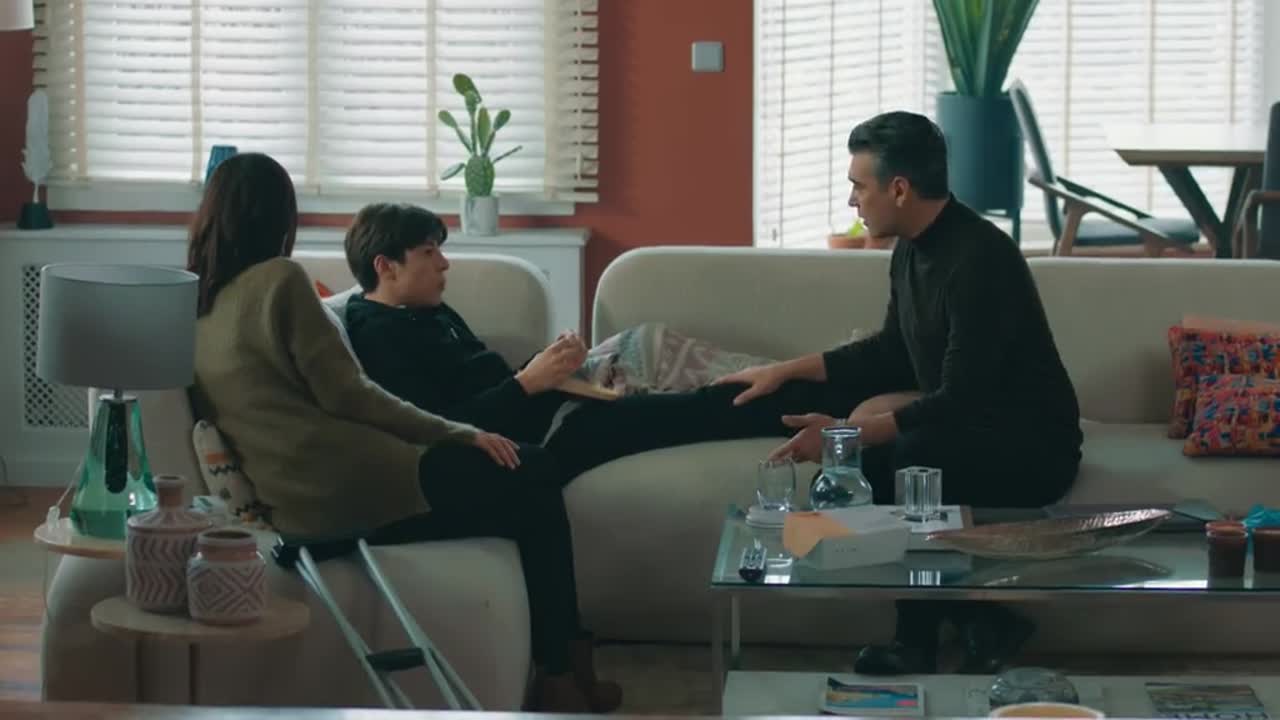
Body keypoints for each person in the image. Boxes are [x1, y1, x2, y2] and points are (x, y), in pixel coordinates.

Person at [343, 110, 1083, 674]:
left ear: (899, 187)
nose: (852, 197)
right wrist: (786, 371)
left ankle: (932, 635)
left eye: (859, 184)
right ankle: (978, 625)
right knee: (817, 423)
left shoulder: (978, 260)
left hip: (1023, 443)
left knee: (889, 463)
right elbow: (891, 351)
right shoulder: (915, 251)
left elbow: (961, 398)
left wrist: (846, 435)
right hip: (967, 423)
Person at [184, 152, 620, 713]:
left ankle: (562, 671)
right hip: (358, 487)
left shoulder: (198, 307)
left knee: (520, 484)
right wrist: (459, 433)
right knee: (530, 469)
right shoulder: (279, 281)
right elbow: (351, 395)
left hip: (294, 506)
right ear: (276, 216)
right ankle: (562, 671)